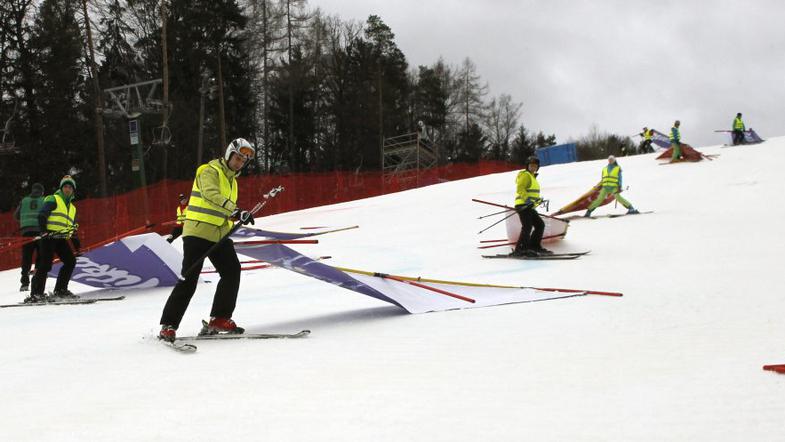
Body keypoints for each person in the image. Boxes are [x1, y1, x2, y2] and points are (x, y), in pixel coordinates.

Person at [159, 138, 257, 342]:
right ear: (229, 154)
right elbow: (211, 195)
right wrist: (236, 211)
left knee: (232, 271)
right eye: (237, 158)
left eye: (242, 161)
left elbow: (222, 209)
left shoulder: (233, 181)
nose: (239, 163)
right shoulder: (209, 170)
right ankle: (168, 325)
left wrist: (236, 216)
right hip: (197, 233)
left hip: (219, 235)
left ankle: (220, 318)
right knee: (189, 279)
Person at [27, 175, 81, 303]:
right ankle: (36, 294)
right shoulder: (54, 199)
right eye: (65, 187)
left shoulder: (72, 208)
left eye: (70, 187)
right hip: (48, 236)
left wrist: (77, 246)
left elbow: (72, 229)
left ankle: (60, 290)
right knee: (45, 265)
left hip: (60, 238)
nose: (67, 189)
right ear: (61, 188)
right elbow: (42, 215)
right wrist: (44, 231)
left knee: (70, 261)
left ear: (73, 190)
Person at [511, 156, 551, 257]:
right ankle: (520, 249)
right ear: (527, 166)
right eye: (531, 165)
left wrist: (537, 201)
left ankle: (534, 246)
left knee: (540, 225)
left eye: (535, 166)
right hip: (522, 205)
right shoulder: (525, 175)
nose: (533, 167)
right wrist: (527, 199)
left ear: (537, 167)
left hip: (529, 206)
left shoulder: (533, 177)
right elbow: (520, 188)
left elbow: (531, 192)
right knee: (527, 226)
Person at [13, 182, 45, 291]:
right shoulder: (44, 200)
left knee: (26, 257)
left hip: (26, 232)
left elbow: (16, 215)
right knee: (40, 256)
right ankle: (37, 276)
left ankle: (24, 283)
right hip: (40, 232)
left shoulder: (24, 200)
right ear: (41, 192)